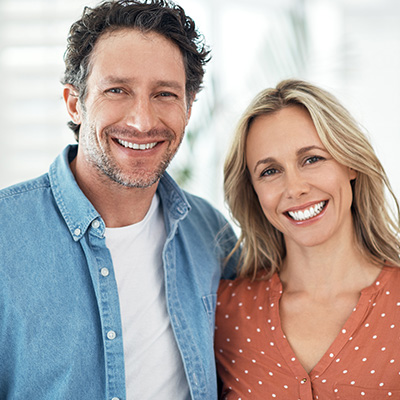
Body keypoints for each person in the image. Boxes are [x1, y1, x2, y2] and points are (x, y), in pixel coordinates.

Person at [0, 1, 238, 399]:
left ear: (189, 107)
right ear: (75, 103)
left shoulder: (212, 234)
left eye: (164, 94)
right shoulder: (6, 236)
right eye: (117, 90)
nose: (143, 121)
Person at [214, 79, 400, 399]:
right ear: (254, 191)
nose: (295, 188)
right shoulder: (225, 312)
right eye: (270, 171)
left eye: (312, 159)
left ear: (350, 163)